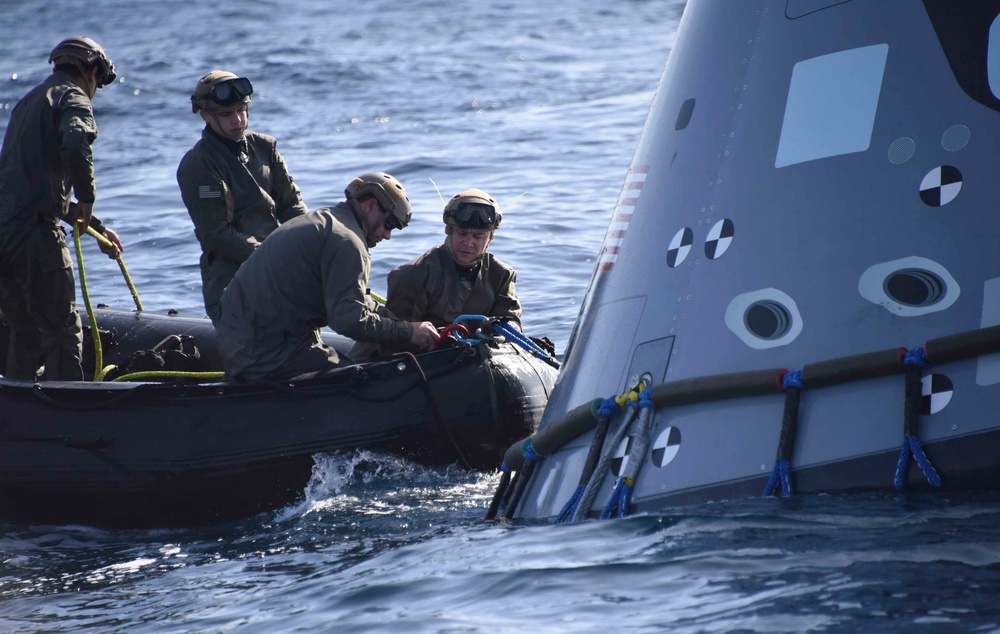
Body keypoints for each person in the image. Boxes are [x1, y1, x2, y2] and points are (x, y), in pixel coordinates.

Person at [215, 172, 439, 381]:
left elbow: (351, 299)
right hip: (265, 352)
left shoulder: (325, 221)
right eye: (389, 224)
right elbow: (348, 320)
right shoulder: (348, 242)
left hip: (242, 339)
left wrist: (403, 324)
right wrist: (407, 332)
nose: (388, 235)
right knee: (361, 381)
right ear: (370, 206)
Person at [0, 36, 124, 382]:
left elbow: (30, 189)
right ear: (92, 71)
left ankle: (18, 412)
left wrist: (93, 224)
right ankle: (68, 410)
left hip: (5, 235)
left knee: (27, 331)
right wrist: (88, 198)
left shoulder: (28, 103)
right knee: (63, 331)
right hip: (35, 240)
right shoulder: (73, 96)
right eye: (98, 80)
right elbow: (75, 142)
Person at [177, 70, 308, 323]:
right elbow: (215, 234)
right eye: (226, 114)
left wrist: (308, 244)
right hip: (233, 282)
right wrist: (274, 256)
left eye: (241, 110)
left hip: (278, 270)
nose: (237, 120)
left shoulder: (265, 146)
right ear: (206, 116)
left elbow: (291, 206)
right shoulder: (199, 164)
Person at [385, 188, 521, 331]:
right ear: (448, 230)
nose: (468, 243)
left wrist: (505, 328)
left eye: (478, 236)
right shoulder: (411, 275)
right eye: (462, 233)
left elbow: (513, 323)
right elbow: (393, 337)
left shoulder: (502, 275)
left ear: (490, 238)